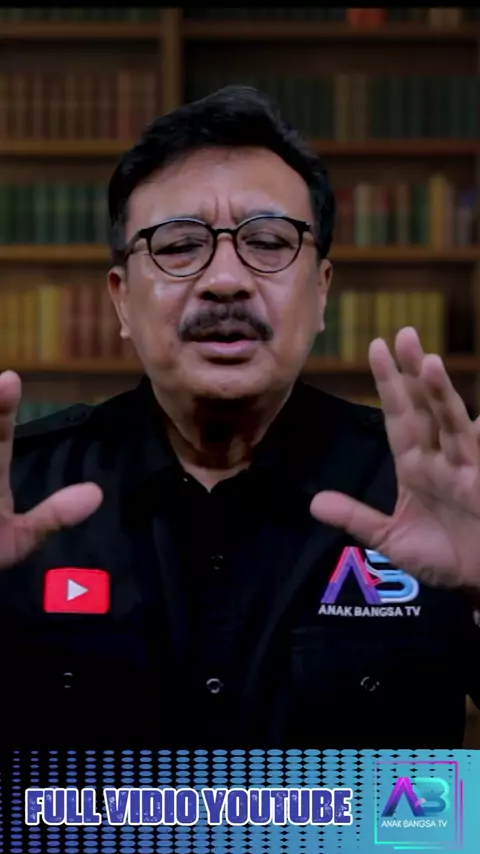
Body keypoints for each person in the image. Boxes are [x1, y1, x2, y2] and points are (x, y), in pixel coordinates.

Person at [1, 85, 480, 751]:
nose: (225, 279)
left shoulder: (436, 494)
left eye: (268, 241)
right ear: (121, 300)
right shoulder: (21, 496)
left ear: (321, 293)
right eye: (178, 245)